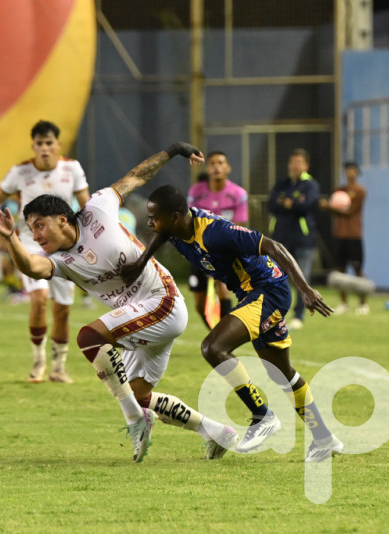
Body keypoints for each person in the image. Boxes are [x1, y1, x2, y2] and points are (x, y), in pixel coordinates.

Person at [0, 142, 238, 463]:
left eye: (39, 225)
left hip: (162, 301)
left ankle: (135, 420)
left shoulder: (97, 208)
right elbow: (31, 267)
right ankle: (216, 432)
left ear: (63, 219)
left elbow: (135, 177)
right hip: (140, 319)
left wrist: (173, 150)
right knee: (140, 396)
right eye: (30, 229)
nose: (35, 236)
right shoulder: (63, 260)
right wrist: (11, 238)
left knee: (89, 338)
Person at [123, 183, 343, 463]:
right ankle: (325, 439)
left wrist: (306, 289)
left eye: (155, 217)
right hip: (252, 293)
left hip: (267, 291)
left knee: (212, 348)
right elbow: (161, 235)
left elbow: (273, 246)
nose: (150, 222)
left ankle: (262, 416)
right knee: (282, 372)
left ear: (176, 216)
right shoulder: (175, 229)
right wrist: (141, 262)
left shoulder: (215, 232)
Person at [0, 120, 89, 384]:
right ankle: (38, 360)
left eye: (49, 143)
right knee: (38, 300)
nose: (45, 149)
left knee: (62, 310)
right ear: (33, 146)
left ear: (58, 145)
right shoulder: (21, 171)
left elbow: (87, 204)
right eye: (40, 144)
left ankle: (58, 366)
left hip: (63, 248)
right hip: (30, 244)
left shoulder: (71, 168)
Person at [187, 151, 248, 329]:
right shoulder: (196, 193)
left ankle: (223, 337)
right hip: (198, 252)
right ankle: (216, 333)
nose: (216, 167)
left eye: (221, 163)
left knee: (223, 287)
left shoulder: (238, 194)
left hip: (224, 253)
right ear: (208, 168)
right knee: (199, 305)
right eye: (212, 163)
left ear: (227, 168)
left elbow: (237, 228)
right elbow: (189, 223)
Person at [268, 148, 320, 330]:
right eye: (292, 162)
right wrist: (290, 203)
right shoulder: (282, 183)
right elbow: (272, 204)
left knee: (301, 279)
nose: (294, 165)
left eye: (299, 162)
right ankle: (275, 313)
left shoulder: (311, 185)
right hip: (280, 239)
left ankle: (299, 315)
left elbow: (305, 206)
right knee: (274, 277)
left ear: (306, 165)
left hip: (302, 240)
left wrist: (289, 203)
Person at [319, 161, 368, 315]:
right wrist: (328, 207)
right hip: (339, 234)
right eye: (347, 170)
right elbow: (336, 210)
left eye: (352, 170)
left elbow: (351, 211)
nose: (349, 173)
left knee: (357, 268)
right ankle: (343, 302)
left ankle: (363, 303)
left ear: (357, 172)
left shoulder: (360, 191)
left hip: (354, 234)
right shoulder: (340, 190)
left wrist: (330, 207)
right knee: (340, 269)